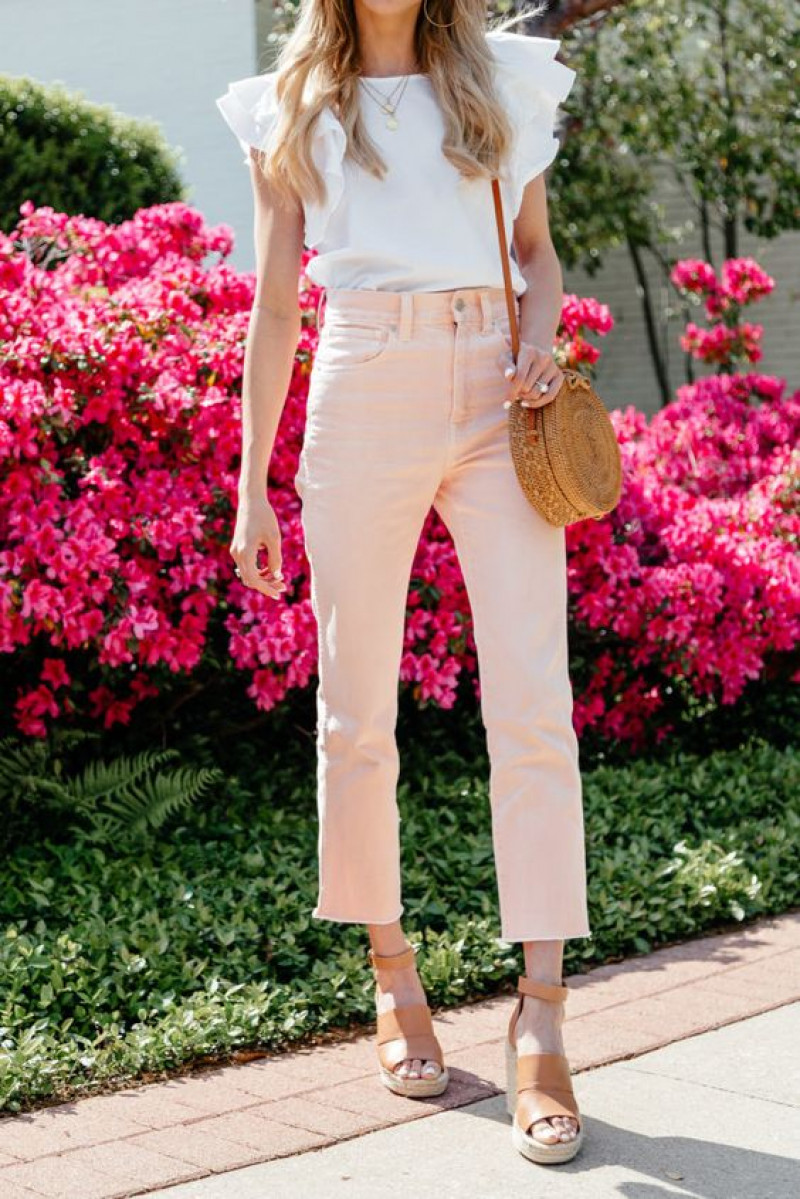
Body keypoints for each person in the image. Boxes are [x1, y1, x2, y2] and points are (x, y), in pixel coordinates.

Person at [217, 0, 591, 1165]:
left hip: (495, 389)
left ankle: (541, 1014)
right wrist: (250, 486)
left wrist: (540, 332)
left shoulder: (499, 79)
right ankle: (392, 975)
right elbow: (277, 305)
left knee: (530, 704)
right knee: (355, 709)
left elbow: (533, 254)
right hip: (359, 376)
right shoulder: (292, 104)